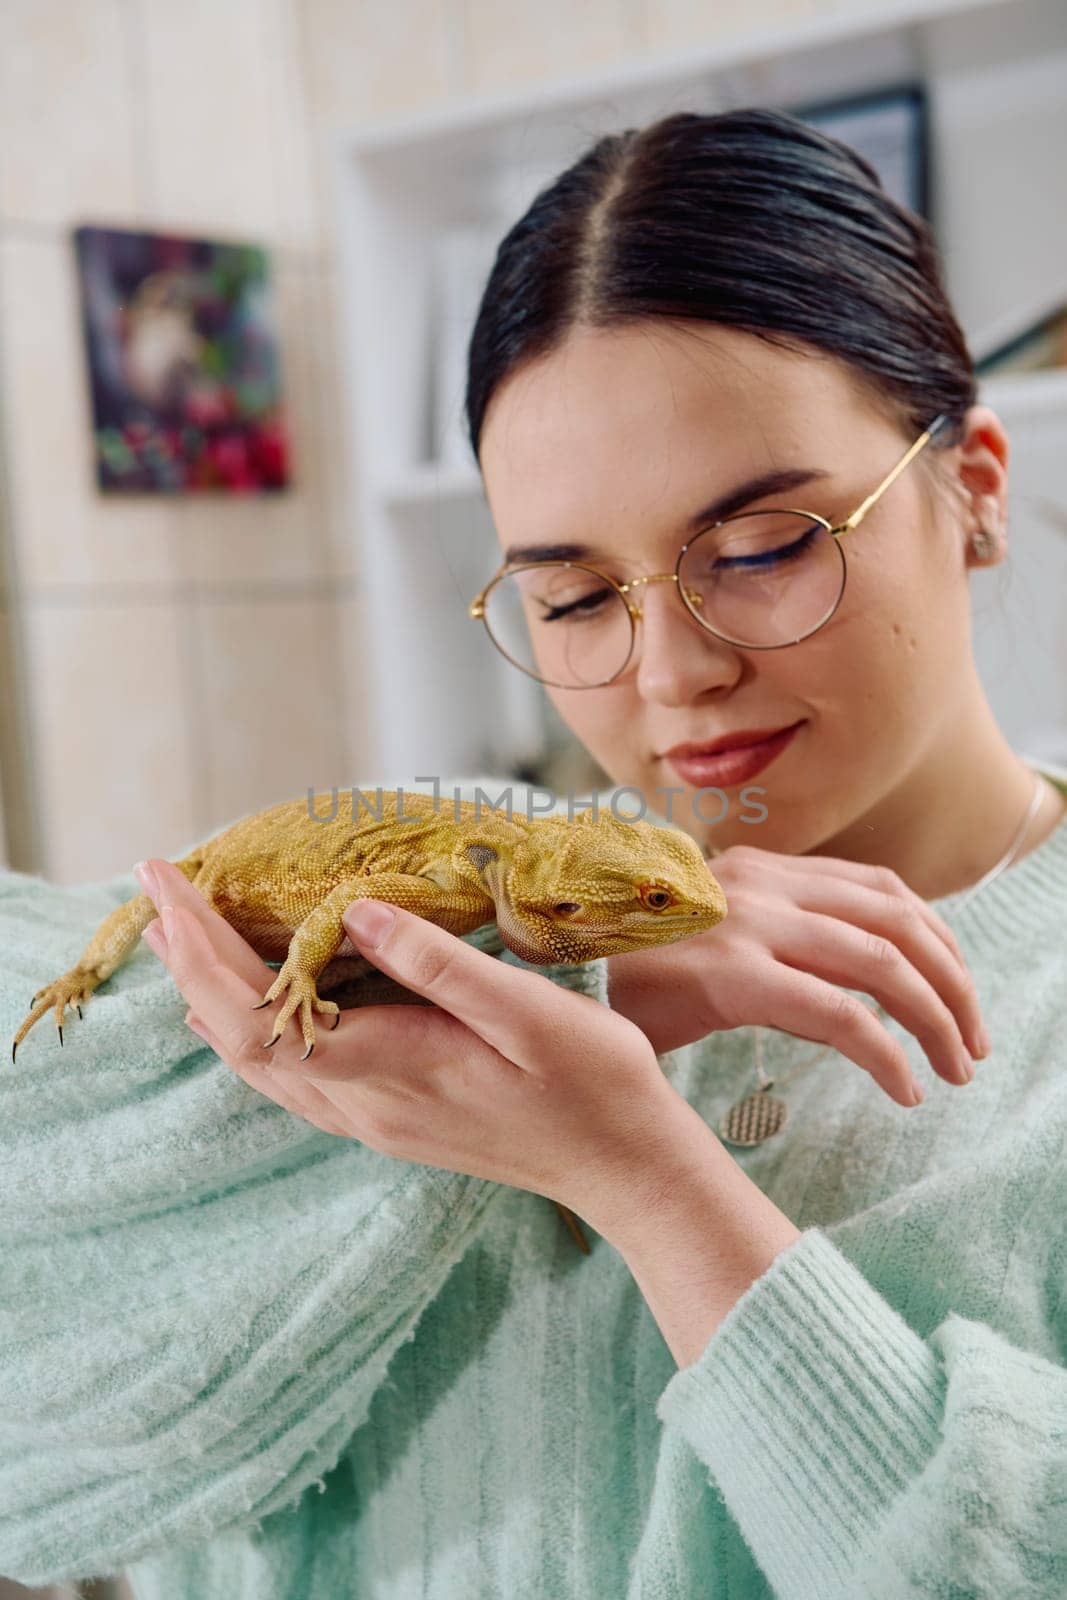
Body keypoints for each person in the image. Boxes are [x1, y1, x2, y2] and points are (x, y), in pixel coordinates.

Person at [2, 107, 1066, 1599]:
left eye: (762, 549)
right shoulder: (464, 886)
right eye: (569, 600)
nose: (672, 676)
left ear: (980, 489)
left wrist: (643, 1178)